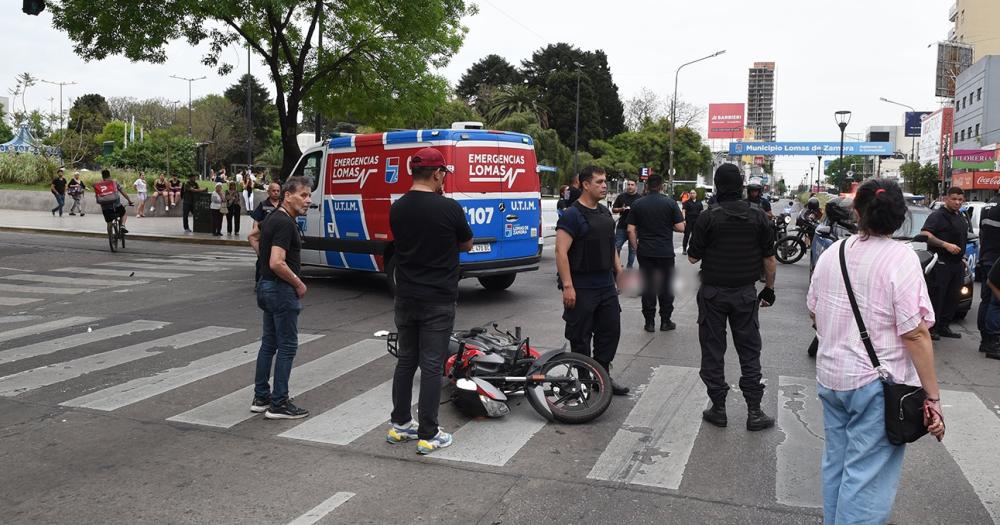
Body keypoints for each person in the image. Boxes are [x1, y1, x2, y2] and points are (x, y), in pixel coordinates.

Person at [807, 179, 945, 523]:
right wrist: (933, 397)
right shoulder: (902, 259)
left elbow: (814, 310)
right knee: (867, 478)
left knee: (837, 465)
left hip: (832, 378)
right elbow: (915, 332)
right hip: (876, 385)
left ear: (857, 214)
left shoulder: (832, 254)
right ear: (900, 219)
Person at [386, 147, 473, 455]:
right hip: (437, 297)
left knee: (406, 360)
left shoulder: (397, 207)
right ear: (437, 174)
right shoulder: (449, 208)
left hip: (406, 296)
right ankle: (429, 433)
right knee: (433, 365)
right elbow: (467, 243)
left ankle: (400, 424)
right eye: (442, 174)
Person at [687, 163, 776, 431]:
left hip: (713, 293)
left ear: (717, 185)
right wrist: (769, 290)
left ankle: (719, 408)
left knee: (713, 350)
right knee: (749, 351)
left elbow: (692, 257)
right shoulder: (759, 216)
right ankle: (754, 411)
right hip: (745, 295)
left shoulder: (708, 216)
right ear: (740, 185)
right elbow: (769, 260)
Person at [555, 166, 630, 396]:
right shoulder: (572, 215)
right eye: (599, 182)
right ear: (585, 185)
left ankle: (602, 376)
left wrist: (619, 272)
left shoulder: (605, 213)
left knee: (610, 332)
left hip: (605, 284)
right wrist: (568, 286)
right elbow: (560, 251)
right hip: (582, 286)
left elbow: (611, 247)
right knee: (581, 338)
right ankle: (585, 381)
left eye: (605, 181)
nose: (604, 185)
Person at [252, 176, 313, 420]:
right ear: (288, 195)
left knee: (269, 343)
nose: (308, 200)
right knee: (287, 345)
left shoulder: (272, 218)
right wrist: (298, 283)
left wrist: (264, 260)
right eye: (303, 195)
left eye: (309, 195)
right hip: (280, 288)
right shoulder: (285, 223)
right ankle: (279, 402)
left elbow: (253, 237)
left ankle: (261, 397)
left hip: (266, 286)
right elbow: (277, 262)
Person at [627, 175, 685, 332]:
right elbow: (681, 227)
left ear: (646, 186)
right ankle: (666, 321)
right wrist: (669, 225)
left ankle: (649, 322)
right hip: (665, 252)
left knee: (647, 286)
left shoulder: (638, 204)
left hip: (645, 251)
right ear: (661, 186)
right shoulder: (670, 203)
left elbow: (630, 229)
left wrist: (635, 247)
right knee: (666, 286)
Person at [920, 187, 969, 340]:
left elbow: (960, 238)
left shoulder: (960, 216)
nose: (957, 202)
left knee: (953, 296)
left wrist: (962, 258)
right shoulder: (938, 216)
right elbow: (925, 234)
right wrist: (945, 245)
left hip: (956, 263)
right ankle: (932, 328)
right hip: (941, 262)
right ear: (946, 198)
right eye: (954, 199)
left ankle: (944, 327)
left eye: (960, 200)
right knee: (938, 296)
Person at [977, 194, 1000, 353]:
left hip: (986, 257)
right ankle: (993, 343)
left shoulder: (988, 205)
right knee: (996, 303)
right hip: (997, 260)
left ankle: (985, 340)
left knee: (986, 300)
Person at [249, 182, 283, 282]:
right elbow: (256, 220)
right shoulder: (263, 205)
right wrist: (256, 236)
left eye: (278, 191)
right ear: (268, 192)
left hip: (278, 239)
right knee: (262, 261)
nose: (276, 193)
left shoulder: (283, 205)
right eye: (273, 191)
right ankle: (259, 282)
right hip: (265, 238)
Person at [611, 179, 640, 269]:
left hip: (634, 228)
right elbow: (613, 209)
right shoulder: (621, 197)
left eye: (632, 184)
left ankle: (629, 266)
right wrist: (621, 209)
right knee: (616, 247)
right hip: (622, 226)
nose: (630, 186)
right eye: (628, 184)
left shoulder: (640, 198)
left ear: (636, 186)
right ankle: (617, 265)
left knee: (632, 249)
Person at [682, 189, 704, 255]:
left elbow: (701, 212)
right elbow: (683, 211)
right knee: (687, 235)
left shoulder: (699, 202)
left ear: (696, 194)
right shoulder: (686, 202)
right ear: (689, 194)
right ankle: (684, 249)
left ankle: (692, 249)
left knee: (695, 236)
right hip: (688, 221)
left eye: (693, 193)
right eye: (691, 193)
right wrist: (684, 219)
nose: (692, 194)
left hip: (696, 222)